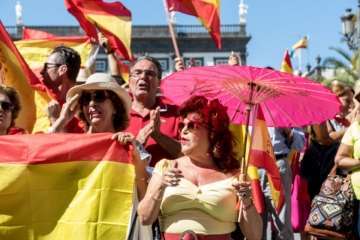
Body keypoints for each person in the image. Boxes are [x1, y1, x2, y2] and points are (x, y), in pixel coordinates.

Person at [138, 95, 262, 240]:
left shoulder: (235, 174)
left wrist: (247, 201)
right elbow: (144, 218)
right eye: (181, 125)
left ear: (212, 132)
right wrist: (159, 186)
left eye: (191, 126)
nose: (183, 131)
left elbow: (255, 236)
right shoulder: (165, 167)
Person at [50, 73, 149, 198]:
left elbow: (144, 195)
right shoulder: (75, 145)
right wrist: (61, 121)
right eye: (86, 99)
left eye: (99, 96)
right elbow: (41, 161)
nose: (91, 104)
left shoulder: (131, 145)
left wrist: (134, 155)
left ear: (115, 107)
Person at [127, 56, 181, 167]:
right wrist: (136, 145)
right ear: (129, 81)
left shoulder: (176, 112)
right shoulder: (116, 112)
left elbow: (187, 153)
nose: (143, 77)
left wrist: (158, 136)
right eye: (137, 73)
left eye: (150, 74)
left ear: (159, 83)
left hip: (167, 182)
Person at [262, 128, 305, 240]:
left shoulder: (284, 112)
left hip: (278, 165)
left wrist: (288, 131)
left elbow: (300, 144)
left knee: (282, 222)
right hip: (253, 167)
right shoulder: (249, 111)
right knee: (255, 224)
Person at [38, 45, 83, 132]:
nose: (41, 71)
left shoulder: (83, 106)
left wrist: (55, 119)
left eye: (47, 66)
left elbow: (73, 144)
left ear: (62, 69)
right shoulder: (43, 98)